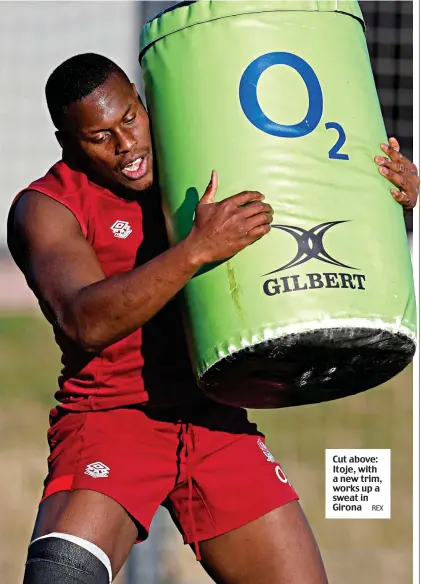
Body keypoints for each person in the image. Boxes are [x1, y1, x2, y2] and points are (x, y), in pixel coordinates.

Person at [7, 53, 419, 584]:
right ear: (67, 142)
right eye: (100, 136)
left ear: (143, 102)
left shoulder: (201, 152)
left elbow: (309, 192)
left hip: (212, 417)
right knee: (62, 577)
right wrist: (195, 250)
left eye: (130, 118)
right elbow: (85, 319)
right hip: (114, 417)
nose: (126, 145)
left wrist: (389, 194)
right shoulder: (45, 208)